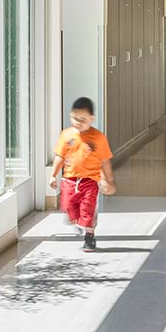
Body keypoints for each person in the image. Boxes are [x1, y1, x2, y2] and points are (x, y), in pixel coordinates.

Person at [49, 97, 116, 253]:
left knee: (89, 209)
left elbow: (105, 160)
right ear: (70, 115)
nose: (78, 122)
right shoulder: (66, 135)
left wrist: (108, 180)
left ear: (92, 119)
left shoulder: (98, 137)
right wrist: (53, 175)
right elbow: (60, 156)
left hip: (90, 181)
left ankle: (89, 236)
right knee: (67, 206)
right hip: (69, 180)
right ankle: (77, 220)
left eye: (83, 119)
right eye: (75, 118)